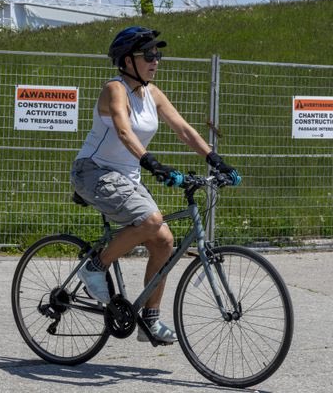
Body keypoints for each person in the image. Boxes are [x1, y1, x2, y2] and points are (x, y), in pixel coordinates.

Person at [70, 26, 240, 345]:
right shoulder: (114, 89)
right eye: (148, 55)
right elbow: (123, 130)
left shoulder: (152, 93)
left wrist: (216, 160)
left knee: (164, 242)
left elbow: (185, 131)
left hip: (126, 178)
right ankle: (95, 267)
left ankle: (150, 319)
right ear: (126, 61)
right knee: (151, 221)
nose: (155, 60)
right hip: (93, 172)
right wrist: (153, 164)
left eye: (157, 54)